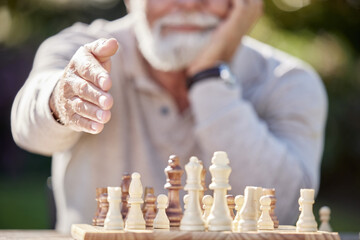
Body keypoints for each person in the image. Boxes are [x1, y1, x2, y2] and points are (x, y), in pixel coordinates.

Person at [11, 0, 327, 233]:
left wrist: (208, 76)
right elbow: (28, 128)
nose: (189, 4)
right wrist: (61, 99)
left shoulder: (290, 81)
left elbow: (286, 207)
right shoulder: (84, 50)